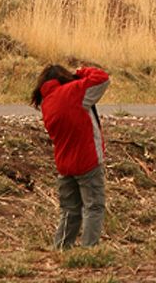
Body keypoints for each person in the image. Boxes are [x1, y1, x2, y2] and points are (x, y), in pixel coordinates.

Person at [31, 63, 110, 249]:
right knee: (94, 207)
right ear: (63, 77)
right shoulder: (74, 91)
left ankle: (61, 249)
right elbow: (102, 77)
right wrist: (80, 72)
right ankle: (89, 250)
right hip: (87, 159)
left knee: (70, 211)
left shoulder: (46, 102)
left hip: (64, 163)